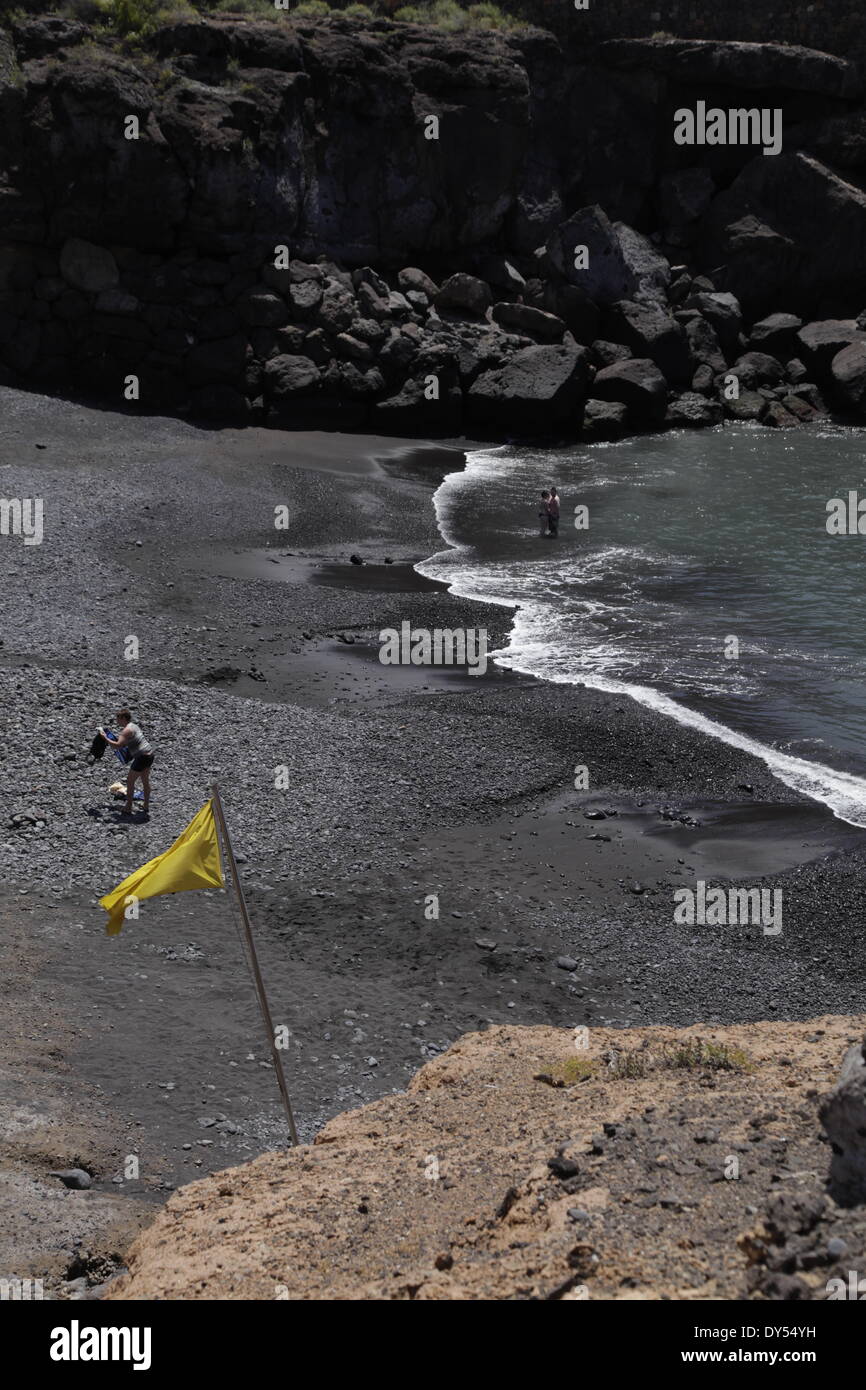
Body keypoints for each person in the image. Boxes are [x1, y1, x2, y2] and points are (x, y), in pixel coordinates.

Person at [101, 709, 155, 816]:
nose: (117, 721)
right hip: (150, 754)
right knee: (145, 780)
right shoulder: (134, 726)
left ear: (123, 718)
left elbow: (117, 745)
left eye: (118, 719)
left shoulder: (125, 731)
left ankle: (128, 807)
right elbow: (131, 742)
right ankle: (146, 805)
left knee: (130, 782)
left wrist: (105, 738)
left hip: (141, 757)